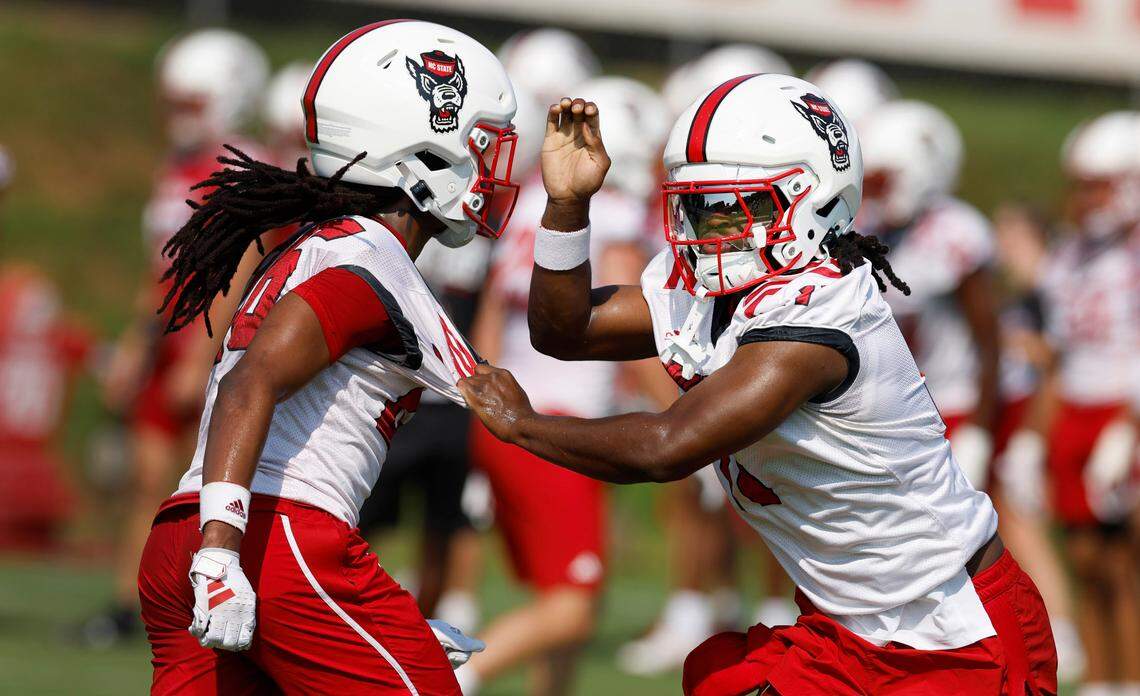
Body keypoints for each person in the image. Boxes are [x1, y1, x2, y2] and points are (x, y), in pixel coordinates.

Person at [460, 76, 1058, 695]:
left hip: (950, 636)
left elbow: (667, 445)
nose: (715, 232)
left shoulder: (819, 315)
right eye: (700, 207)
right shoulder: (725, 289)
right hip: (848, 629)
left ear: (814, 197)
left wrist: (521, 424)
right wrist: (567, 207)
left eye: (737, 207)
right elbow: (568, 328)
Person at [135, 19, 520, 694]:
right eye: (480, 146)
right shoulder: (368, 261)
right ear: (423, 152)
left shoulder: (318, 245)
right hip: (271, 535)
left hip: (181, 533)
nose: (490, 169)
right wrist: (225, 553)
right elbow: (251, 382)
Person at [459, 75, 673, 696]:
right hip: (562, 426)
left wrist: (480, 421)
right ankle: (443, 682)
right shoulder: (614, 215)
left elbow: (490, 331)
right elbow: (633, 338)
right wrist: (693, 419)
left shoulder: (530, 204)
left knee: (558, 604)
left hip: (508, 420)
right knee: (573, 608)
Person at [87, 28, 270, 646]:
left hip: (212, 344)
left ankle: (192, 601)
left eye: (192, 102)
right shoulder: (175, 168)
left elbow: (240, 263)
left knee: (200, 486)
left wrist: (202, 348)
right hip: (167, 337)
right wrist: (136, 346)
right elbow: (158, 269)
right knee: (145, 477)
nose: (177, 116)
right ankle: (127, 604)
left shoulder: (236, 164)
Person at [1003, 112, 1140, 696]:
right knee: (1085, 562)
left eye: (1098, 184)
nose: (1085, 199)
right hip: (1077, 410)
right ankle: (1105, 682)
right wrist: (1033, 439)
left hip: (1124, 411)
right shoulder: (1066, 259)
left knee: (1128, 565)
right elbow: (1056, 358)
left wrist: (1128, 428)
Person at [858, 100, 1001, 491]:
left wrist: (980, 431)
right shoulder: (871, 228)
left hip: (949, 405)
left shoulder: (957, 233)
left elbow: (990, 342)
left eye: (881, 181)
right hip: (889, 413)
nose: (871, 194)